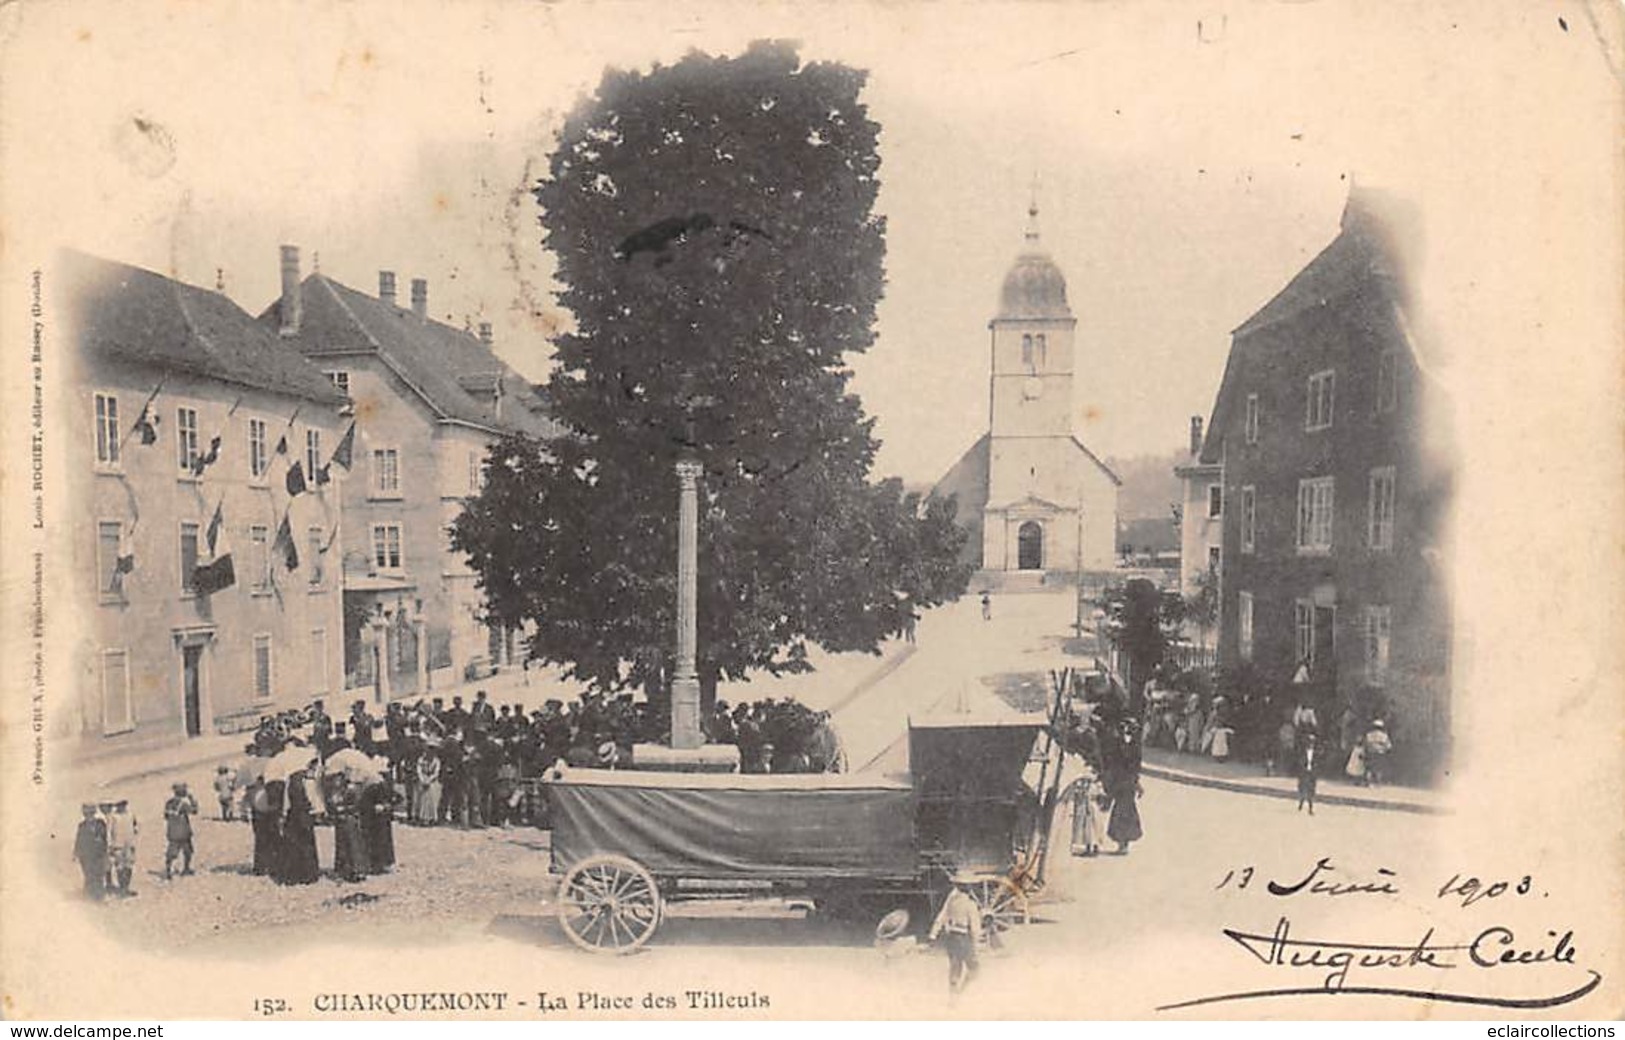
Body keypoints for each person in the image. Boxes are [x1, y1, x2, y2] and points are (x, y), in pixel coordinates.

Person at [927, 874, 984, 993]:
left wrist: (933, 934)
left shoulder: (951, 901)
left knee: (955, 966)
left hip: (951, 938)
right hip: (964, 938)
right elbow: (975, 928)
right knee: (974, 969)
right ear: (969, 887)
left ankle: (953, 994)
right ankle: (962, 990)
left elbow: (942, 916)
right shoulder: (970, 904)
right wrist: (976, 944)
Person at [1103, 722, 1144, 854]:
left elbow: (1133, 768)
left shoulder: (1131, 748)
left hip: (1125, 783)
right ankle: (1123, 843)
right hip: (1125, 783)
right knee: (1124, 811)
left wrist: (1136, 783)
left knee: (1122, 812)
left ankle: (1123, 844)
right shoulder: (1130, 746)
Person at [279, 770, 321, 885]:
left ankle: (293, 874)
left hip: (292, 815)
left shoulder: (290, 780)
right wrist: (315, 811)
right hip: (304, 815)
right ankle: (308, 875)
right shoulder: (308, 782)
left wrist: (283, 815)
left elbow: (286, 802)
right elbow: (313, 800)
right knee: (306, 844)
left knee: (293, 844)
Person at [1063, 771, 1105, 856]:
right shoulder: (1078, 787)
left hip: (1092, 809)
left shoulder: (1094, 787)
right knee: (1084, 829)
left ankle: (1093, 847)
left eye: (1087, 780)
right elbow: (1070, 796)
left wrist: (1098, 801)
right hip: (1084, 809)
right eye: (1084, 780)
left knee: (1094, 828)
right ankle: (1086, 847)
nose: (1085, 782)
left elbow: (1100, 796)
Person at [162, 781, 199, 879]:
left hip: (172, 831)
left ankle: (168, 869)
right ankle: (186, 868)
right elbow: (194, 811)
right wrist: (192, 799)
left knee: (171, 852)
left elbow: (166, 816)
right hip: (183, 832)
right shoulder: (183, 804)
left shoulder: (168, 803)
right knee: (188, 851)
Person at [72, 804, 109, 901]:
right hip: (86, 855)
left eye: (91, 814)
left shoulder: (101, 823)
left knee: (99, 874)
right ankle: (89, 895)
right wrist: (76, 852)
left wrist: (105, 851)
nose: (89, 816)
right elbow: (79, 840)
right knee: (89, 874)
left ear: (94, 813)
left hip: (99, 853)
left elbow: (104, 838)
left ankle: (99, 895)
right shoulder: (82, 826)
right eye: (87, 814)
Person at [105, 799, 138, 896]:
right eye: (119, 805)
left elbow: (135, 827)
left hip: (129, 844)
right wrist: (110, 844)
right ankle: (122, 887)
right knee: (120, 867)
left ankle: (126, 887)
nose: (122, 807)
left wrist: (133, 840)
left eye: (123, 804)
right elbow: (109, 831)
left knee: (129, 866)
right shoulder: (113, 817)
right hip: (117, 845)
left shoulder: (131, 815)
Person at [414, 743, 443, 825]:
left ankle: (432, 817)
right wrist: (423, 779)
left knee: (432, 798)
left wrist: (429, 780)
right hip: (423, 779)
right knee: (422, 798)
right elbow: (418, 770)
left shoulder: (436, 760)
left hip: (432, 781)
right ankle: (421, 817)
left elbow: (436, 772)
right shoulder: (421, 759)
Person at [1296, 731, 1321, 815]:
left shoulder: (1316, 753)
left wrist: (1315, 770)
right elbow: (1299, 762)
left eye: (1312, 742)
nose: (1311, 744)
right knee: (1303, 788)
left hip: (1312, 773)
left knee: (1311, 790)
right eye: (1309, 742)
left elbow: (1318, 763)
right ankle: (1301, 803)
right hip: (1304, 772)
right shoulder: (1302, 752)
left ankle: (1310, 808)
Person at [1362, 719, 1393, 786]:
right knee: (1378, 768)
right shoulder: (1384, 736)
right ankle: (1378, 782)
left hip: (1370, 752)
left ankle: (1368, 782)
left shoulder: (1369, 735)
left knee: (1369, 768)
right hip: (1380, 753)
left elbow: (1365, 744)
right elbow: (1388, 746)